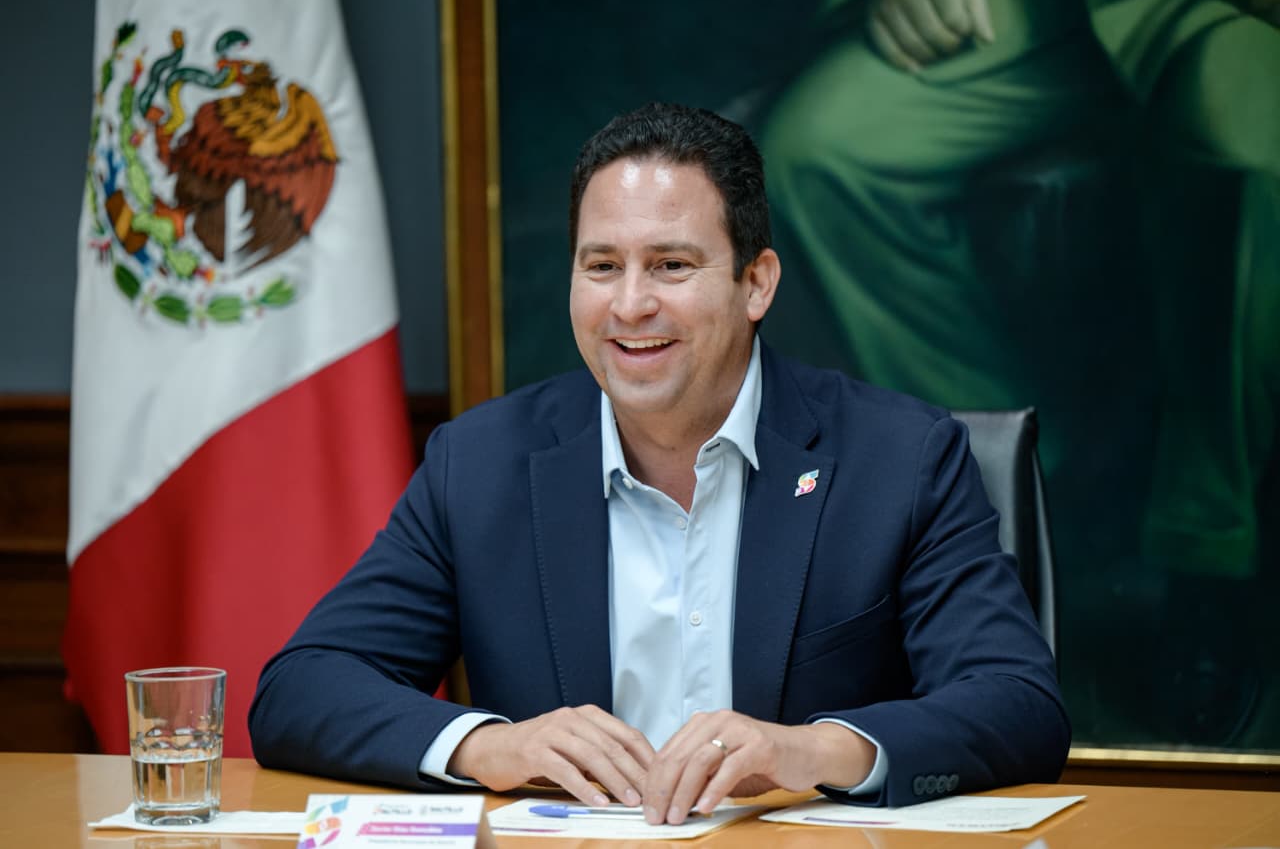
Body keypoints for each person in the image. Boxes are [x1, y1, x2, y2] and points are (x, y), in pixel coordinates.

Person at [249, 102, 1068, 821]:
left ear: (756, 283)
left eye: (671, 265)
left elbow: (1019, 704)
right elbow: (302, 686)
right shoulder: (481, 463)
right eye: (602, 266)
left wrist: (812, 751)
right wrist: (490, 746)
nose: (631, 304)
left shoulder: (901, 458)